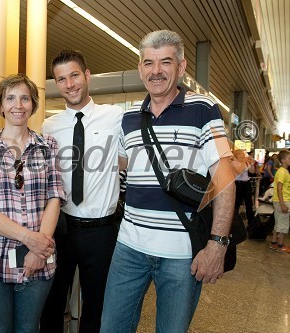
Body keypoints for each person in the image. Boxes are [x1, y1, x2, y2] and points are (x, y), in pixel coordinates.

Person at [100, 30, 235, 332]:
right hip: (129, 249)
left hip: (182, 255)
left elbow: (225, 181)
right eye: (148, 63)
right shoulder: (129, 117)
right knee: (111, 327)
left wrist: (217, 245)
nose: (156, 71)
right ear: (140, 69)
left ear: (182, 67)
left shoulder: (202, 108)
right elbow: (122, 171)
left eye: (165, 62)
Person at [0, 74, 66, 333]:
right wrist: (28, 239)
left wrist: (38, 248)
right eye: (10, 98)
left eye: (24, 98)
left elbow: (55, 196)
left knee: (29, 328)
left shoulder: (48, 146)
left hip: (39, 256)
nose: (17, 105)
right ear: (0, 105)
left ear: (33, 104)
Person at [40, 49, 124, 333]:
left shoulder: (115, 117)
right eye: (61, 79)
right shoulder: (49, 126)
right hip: (60, 228)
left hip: (102, 231)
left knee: (97, 305)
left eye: (74, 75)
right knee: (51, 302)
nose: (69, 84)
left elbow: (131, 157)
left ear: (87, 76)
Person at [268, 150, 290, 253]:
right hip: (283, 200)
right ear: (283, 160)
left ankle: (274, 243)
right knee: (283, 224)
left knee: (279, 222)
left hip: (282, 200)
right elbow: (279, 189)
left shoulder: (284, 171)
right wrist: (282, 204)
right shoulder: (282, 172)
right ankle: (280, 245)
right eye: (289, 158)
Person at [231, 149, 255, 229]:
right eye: (241, 153)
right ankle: (233, 222)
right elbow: (239, 171)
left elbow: (252, 172)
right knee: (237, 203)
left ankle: (251, 223)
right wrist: (244, 162)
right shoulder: (233, 163)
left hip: (246, 183)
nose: (243, 155)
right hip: (238, 184)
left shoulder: (245, 162)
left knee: (249, 203)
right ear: (237, 155)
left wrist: (252, 164)